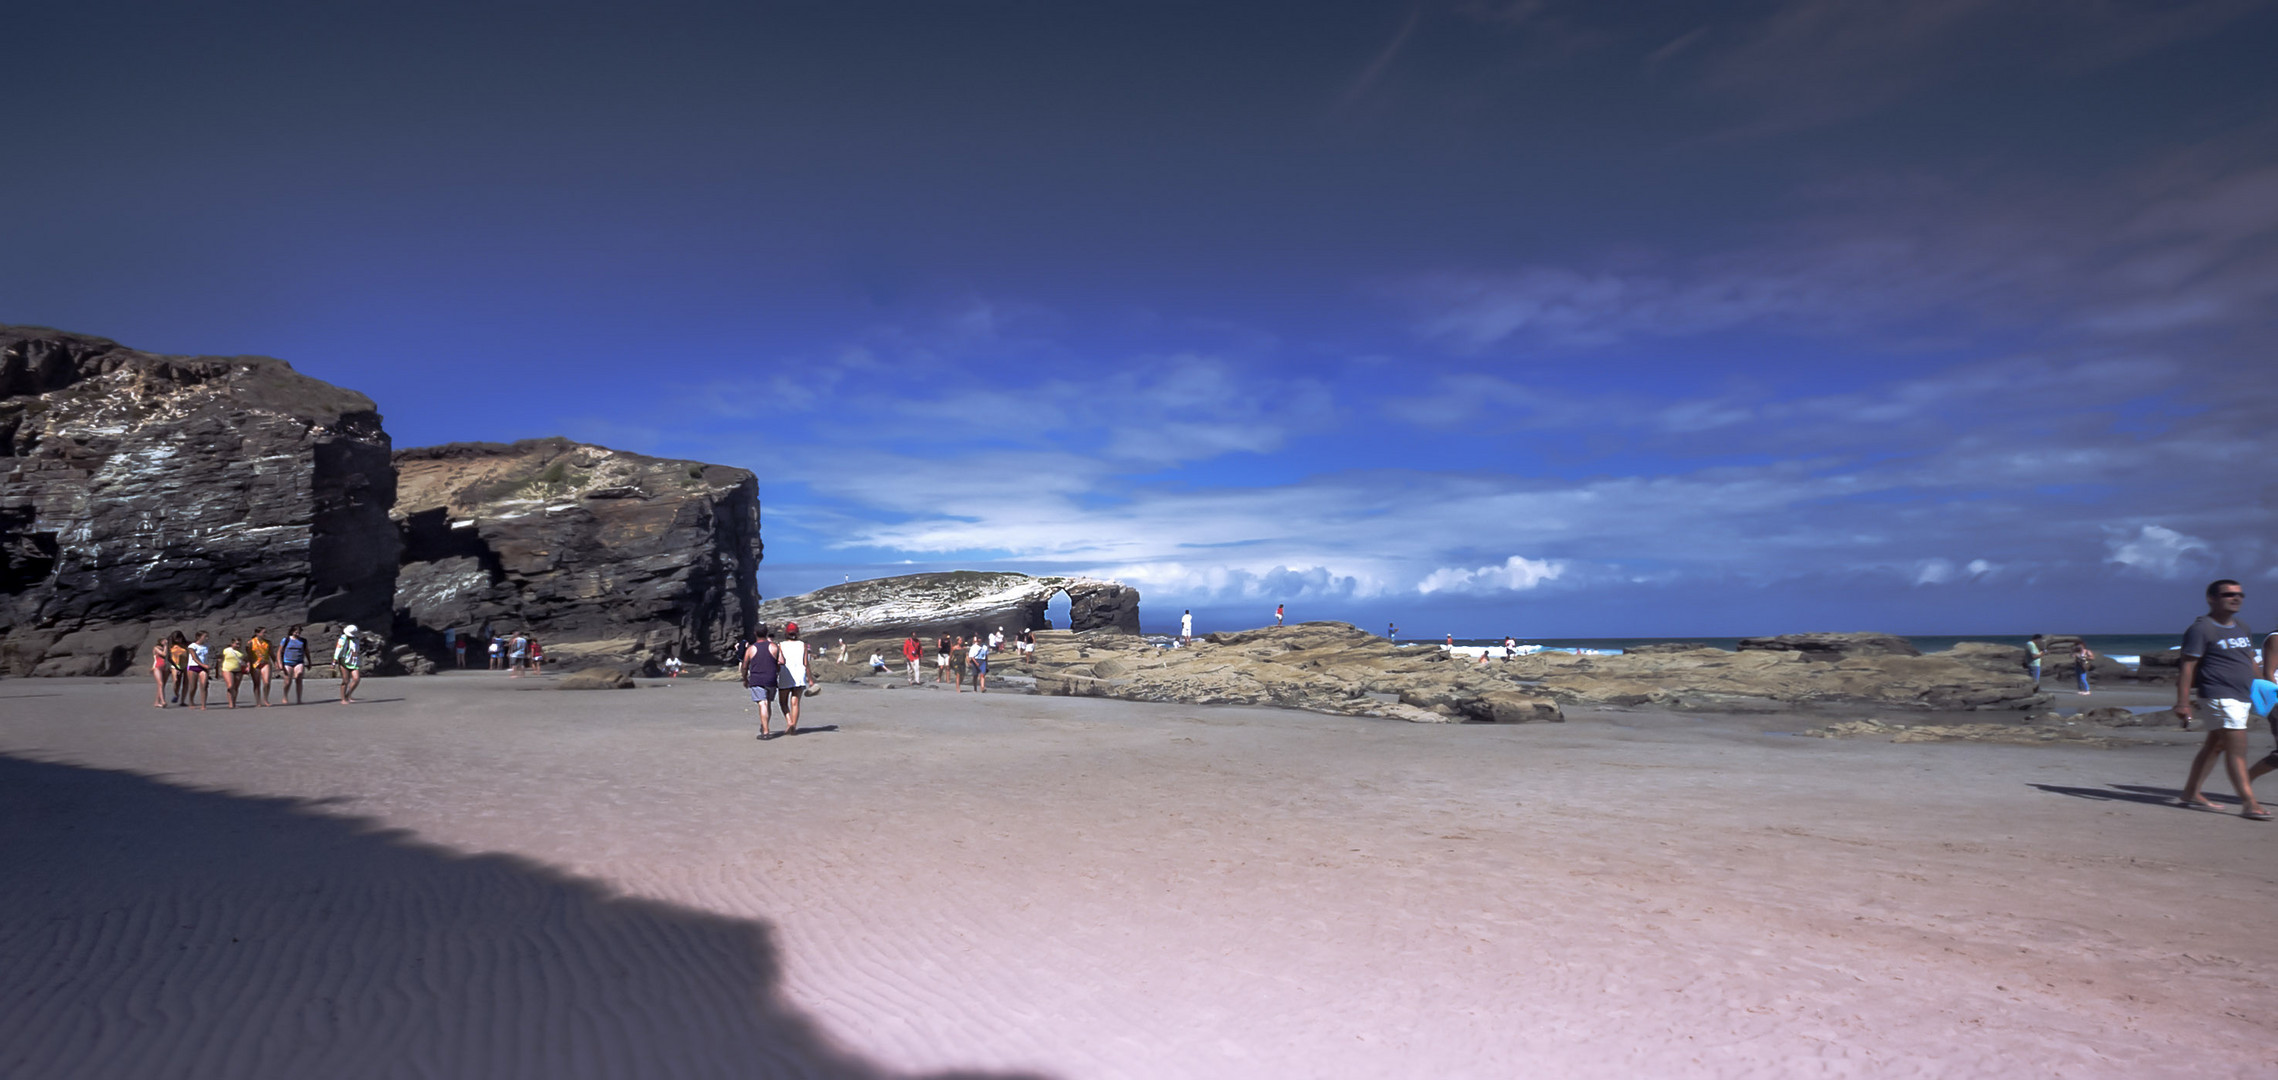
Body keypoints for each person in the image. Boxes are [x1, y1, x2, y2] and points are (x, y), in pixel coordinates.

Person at [2173, 580, 2269, 819]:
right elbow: (2187, 667)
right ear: (2211, 598)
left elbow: (2250, 661)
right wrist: (2183, 702)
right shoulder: (2201, 629)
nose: (2236, 598)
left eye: (2240, 594)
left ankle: (2190, 793)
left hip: (2242, 695)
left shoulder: (2242, 626)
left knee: (2215, 745)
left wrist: (2266, 690)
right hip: (2219, 695)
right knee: (2238, 748)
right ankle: (2249, 803)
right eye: (2228, 594)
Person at [741, 625, 780, 739]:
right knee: (768, 703)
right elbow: (779, 664)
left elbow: (744, 666)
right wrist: (776, 673)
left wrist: (745, 679)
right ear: (766, 633)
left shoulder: (751, 649)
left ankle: (766, 731)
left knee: (763, 703)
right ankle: (765, 726)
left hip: (757, 679)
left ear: (755, 633)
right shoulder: (774, 647)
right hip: (771, 679)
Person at [776, 622, 809, 735]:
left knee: (783, 702)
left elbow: (779, 662)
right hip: (800, 676)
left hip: (786, 675)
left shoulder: (780, 645)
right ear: (797, 632)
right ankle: (793, 726)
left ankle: (789, 722)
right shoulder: (803, 645)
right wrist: (811, 679)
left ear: (786, 633)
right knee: (795, 702)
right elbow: (806, 663)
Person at [277, 625, 309, 705]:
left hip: (299, 661)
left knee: (299, 678)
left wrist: (309, 661)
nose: (297, 633)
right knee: (288, 681)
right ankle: (285, 696)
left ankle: (299, 699)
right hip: (287, 662)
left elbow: (306, 651)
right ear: (292, 631)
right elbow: (279, 652)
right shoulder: (286, 640)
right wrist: (280, 663)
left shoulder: (303, 641)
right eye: (296, 631)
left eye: (299, 632)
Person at [335, 624, 364, 704]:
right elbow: (338, 650)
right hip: (344, 661)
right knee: (345, 680)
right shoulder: (343, 638)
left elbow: (356, 651)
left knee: (356, 679)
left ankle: (348, 695)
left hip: (354, 662)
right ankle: (343, 699)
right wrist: (334, 661)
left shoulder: (356, 639)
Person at [247, 626, 273, 706]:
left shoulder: (268, 642)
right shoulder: (250, 642)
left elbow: (271, 653)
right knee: (257, 683)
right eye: (263, 632)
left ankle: (265, 699)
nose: (265, 634)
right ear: (257, 633)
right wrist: (248, 664)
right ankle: (258, 701)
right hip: (255, 664)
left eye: (265, 632)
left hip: (265, 662)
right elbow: (248, 654)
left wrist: (276, 662)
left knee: (267, 682)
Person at [186, 631, 212, 709]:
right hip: (193, 666)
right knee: (193, 686)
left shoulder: (208, 646)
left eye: (207, 636)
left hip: (204, 668)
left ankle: (203, 705)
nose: (207, 638)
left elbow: (211, 655)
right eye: (205, 636)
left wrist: (209, 665)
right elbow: (194, 658)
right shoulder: (192, 646)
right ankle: (191, 701)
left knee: (204, 685)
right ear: (198, 637)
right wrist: (203, 665)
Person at [220, 636, 246, 708]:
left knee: (236, 687)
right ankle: (230, 703)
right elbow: (221, 659)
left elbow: (245, 660)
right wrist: (219, 669)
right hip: (227, 669)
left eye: (239, 644)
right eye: (236, 644)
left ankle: (234, 702)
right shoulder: (226, 650)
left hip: (238, 670)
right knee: (230, 686)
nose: (238, 645)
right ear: (232, 643)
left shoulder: (241, 652)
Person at [150, 636, 173, 708]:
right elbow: (163, 654)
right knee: (160, 683)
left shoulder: (167, 648)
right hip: (157, 667)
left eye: (166, 640)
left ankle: (157, 702)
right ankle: (163, 701)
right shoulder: (156, 648)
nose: (165, 642)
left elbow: (169, 657)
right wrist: (165, 646)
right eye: (163, 640)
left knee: (162, 685)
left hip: (165, 667)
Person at [168, 632, 190, 705]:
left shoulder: (187, 645)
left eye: (180, 638)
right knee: (176, 681)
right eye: (176, 639)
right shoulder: (171, 646)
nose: (178, 640)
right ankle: (176, 694)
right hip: (175, 665)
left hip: (186, 664)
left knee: (186, 682)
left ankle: (183, 701)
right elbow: (168, 658)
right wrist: (177, 668)